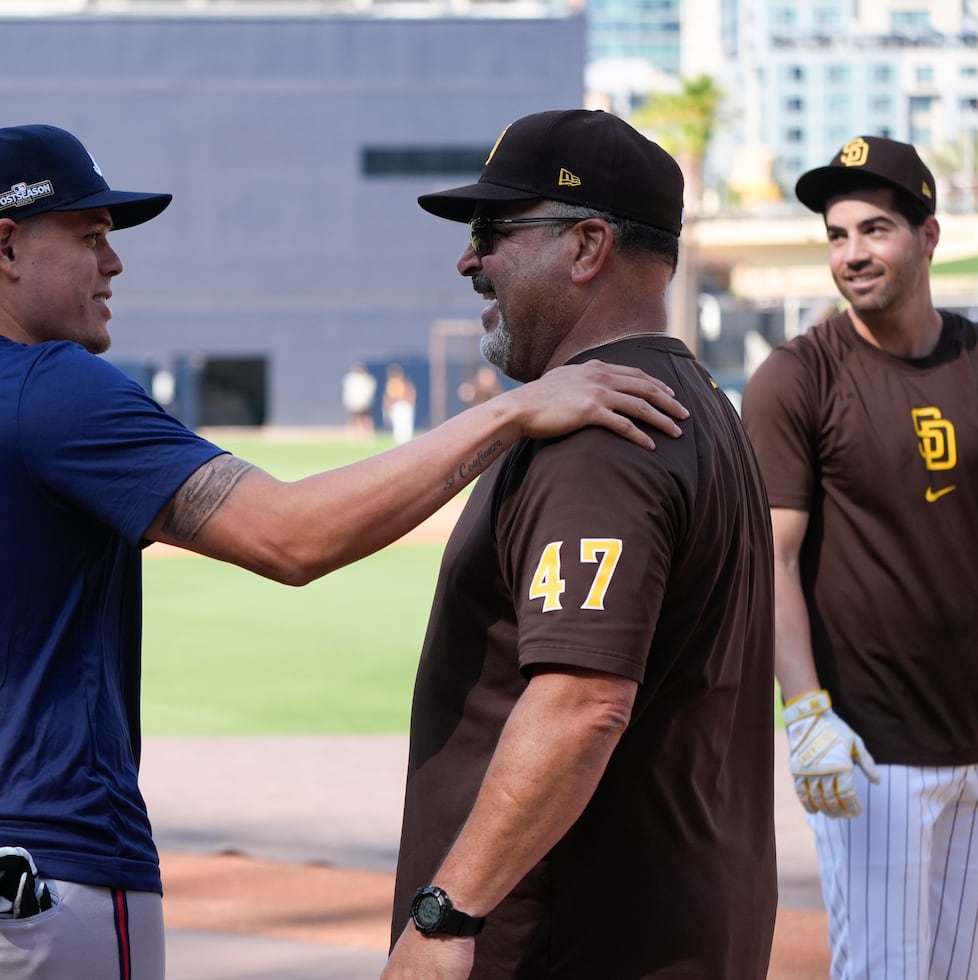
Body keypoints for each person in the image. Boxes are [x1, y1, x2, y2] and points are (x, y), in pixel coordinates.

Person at [0, 123, 690, 980]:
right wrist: (514, 411)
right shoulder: (48, 387)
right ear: (6, 245)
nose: (115, 264)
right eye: (91, 236)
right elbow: (291, 536)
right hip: (48, 867)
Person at [384, 108, 776, 979]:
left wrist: (447, 919)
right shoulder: (696, 402)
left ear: (588, 245)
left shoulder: (603, 437)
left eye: (493, 231)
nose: (468, 260)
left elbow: (581, 705)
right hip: (673, 925)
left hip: (574, 942)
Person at [741, 136, 978, 980]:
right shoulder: (797, 378)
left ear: (929, 236)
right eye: (838, 236)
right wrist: (805, 713)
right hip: (872, 756)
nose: (852, 255)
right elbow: (770, 559)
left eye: (874, 230)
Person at [341, 360, 378, 436]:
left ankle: (367, 434)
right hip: (353, 402)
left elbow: (369, 391)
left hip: (364, 403)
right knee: (352, 419)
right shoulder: (350, 379)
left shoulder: (367, 379)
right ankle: (351, 434)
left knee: (366, 418)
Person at [383, 362, 417, 443]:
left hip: (404, 405)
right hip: (396, 406)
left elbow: (411, 393)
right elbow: (388, 397)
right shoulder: (390, 384)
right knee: (398, 427)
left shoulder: (405, 383)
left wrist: (410, 403)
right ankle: (400, 444)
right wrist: (388, 407)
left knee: (406, 426)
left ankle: (406, 443)